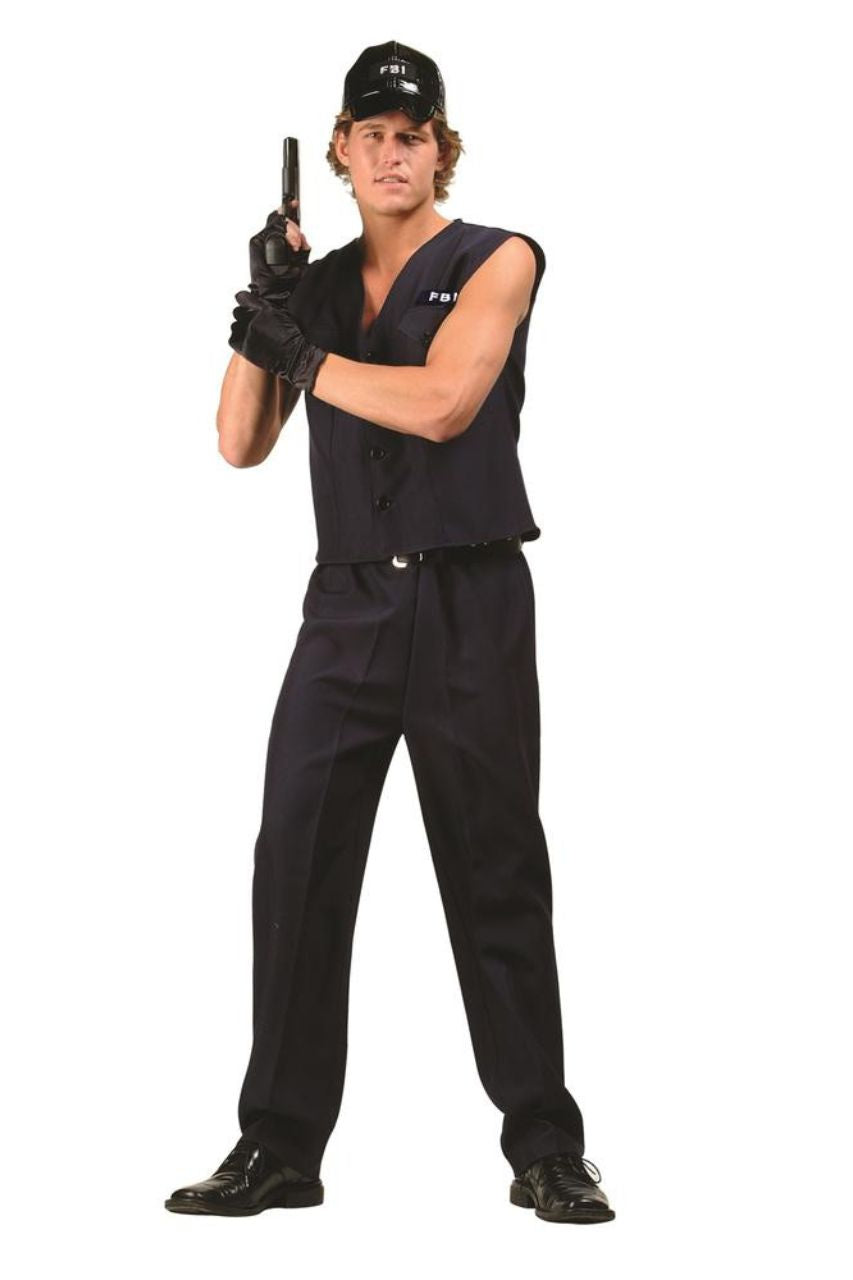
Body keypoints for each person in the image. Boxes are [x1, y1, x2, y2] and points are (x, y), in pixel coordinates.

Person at [165, 39, 615, 1225]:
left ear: (439, 149)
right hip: (349, 603)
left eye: (412, 135)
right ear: (342, 150)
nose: (391, 153)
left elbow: (445, 402)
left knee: (495, 867)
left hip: (469, 598)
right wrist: (263, 311)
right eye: (370, 134)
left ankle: (546, 1145)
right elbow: (239, 441)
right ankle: (278, 1145)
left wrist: (305, 355)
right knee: (296, 861)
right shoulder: (315, 294)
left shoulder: (498, 258)